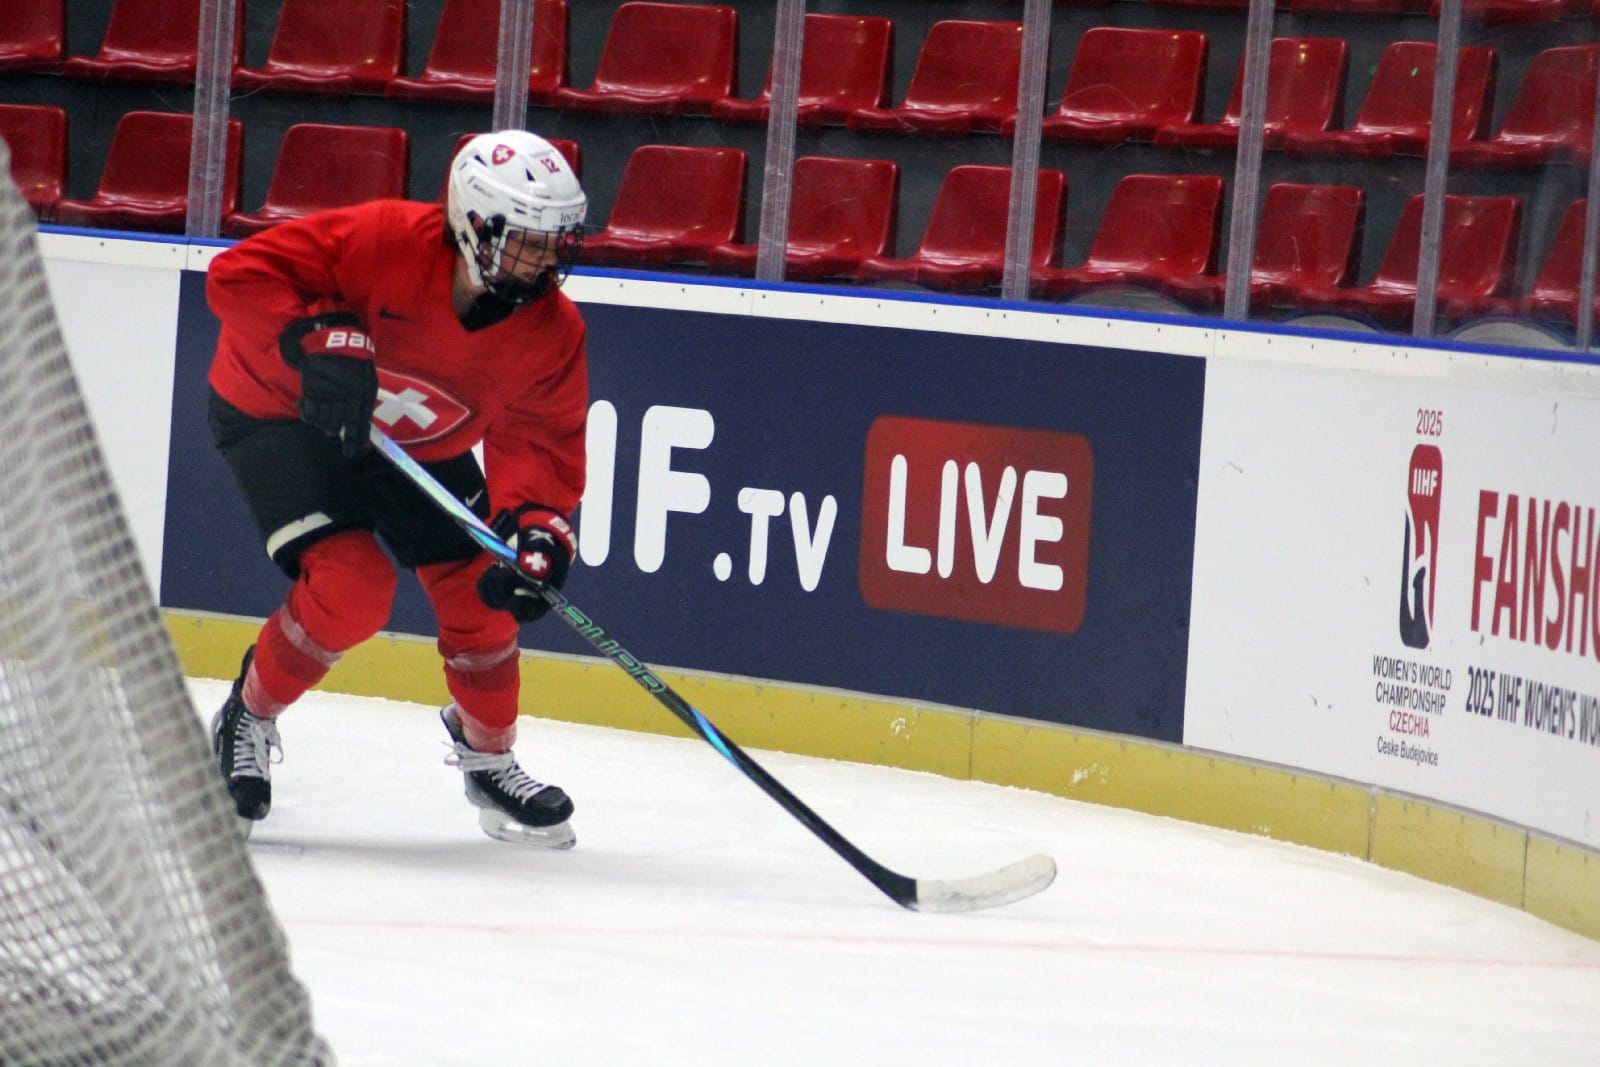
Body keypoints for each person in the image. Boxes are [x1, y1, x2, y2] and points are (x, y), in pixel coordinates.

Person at [204, 130, 589, 848]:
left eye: (556, 242)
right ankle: (246, 717)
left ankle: (488, 757)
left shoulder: (551, 330)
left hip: (412, 443)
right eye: (527, 242)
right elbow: (239, 274)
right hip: (282, 412)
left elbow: (542, 442)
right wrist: (315, 335)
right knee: (353, 587)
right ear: (473, 225)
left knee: (486, 583)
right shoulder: (382, 240)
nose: (545, 261)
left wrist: (538, 529)